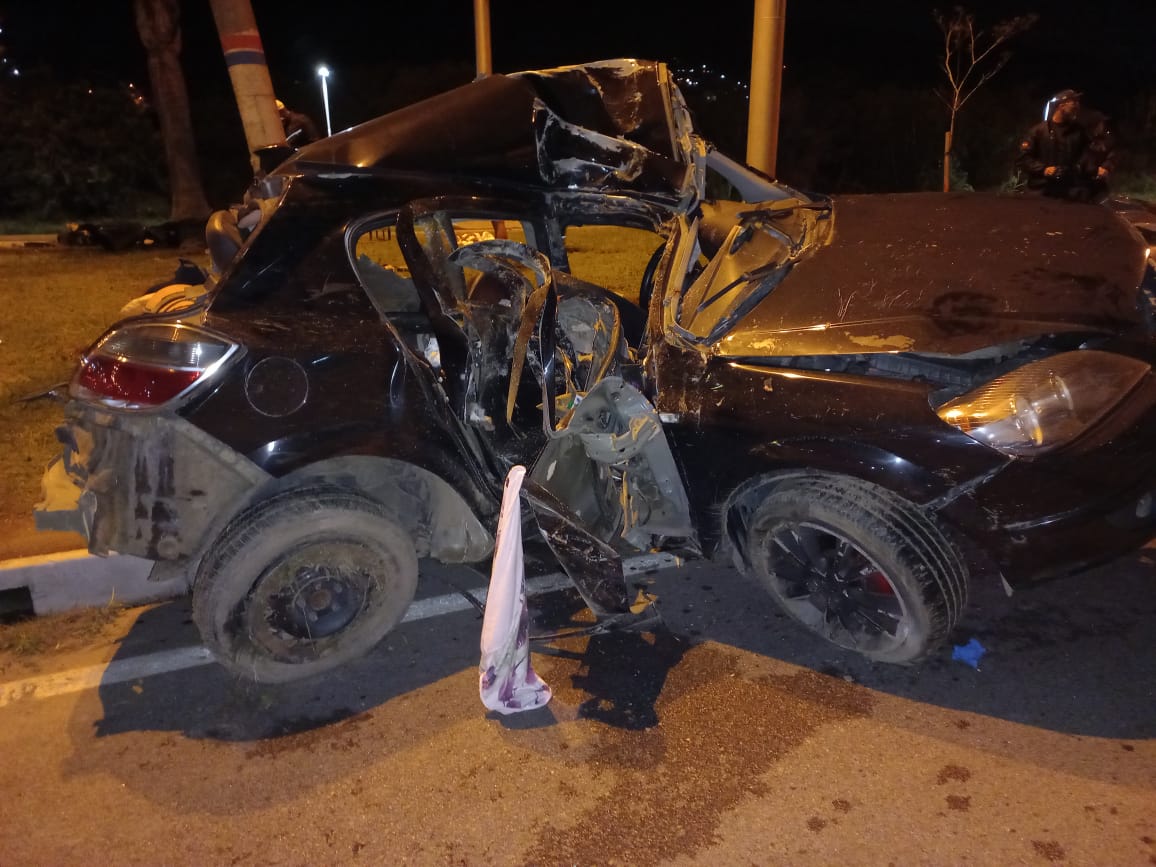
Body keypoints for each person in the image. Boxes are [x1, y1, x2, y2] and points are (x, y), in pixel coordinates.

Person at [1016, 89, 1116, 202]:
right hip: (1041, 190)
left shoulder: (1079, 132)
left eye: (1078, 102)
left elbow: (1089, 155)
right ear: (1061, 105)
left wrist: (1100, 168)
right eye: (1074, 102)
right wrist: (1044, 170)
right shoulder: (1038, 131)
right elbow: (1023, 159)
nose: (1077, 106)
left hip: (1068, 190)